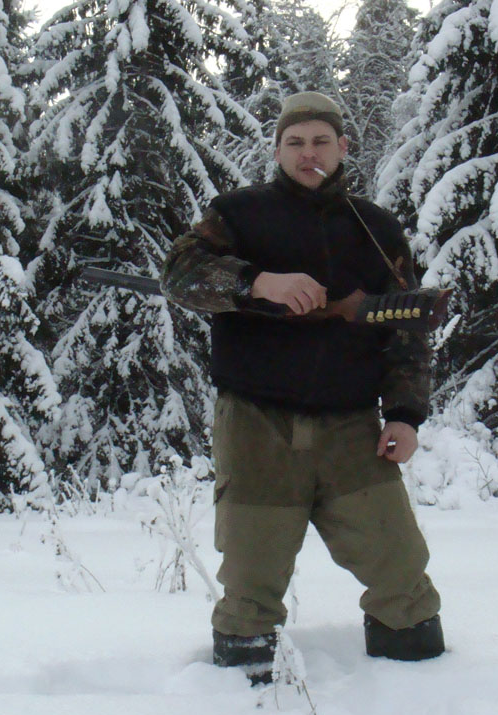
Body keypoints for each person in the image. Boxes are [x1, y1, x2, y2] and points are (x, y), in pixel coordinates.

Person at [161, 91, 443, 684]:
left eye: (320, 141)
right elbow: (179, 274)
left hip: (352, 427)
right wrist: (256, 282)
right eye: (295, 142)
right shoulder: (237, 214)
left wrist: (405, 413)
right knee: (251, 577)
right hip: (256, 423)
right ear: (278, 150)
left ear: (343, 147)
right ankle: (238, 707)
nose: (307, 153)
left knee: (400, 571)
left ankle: (419, 695)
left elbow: (408, 330)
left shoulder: (377, 228)